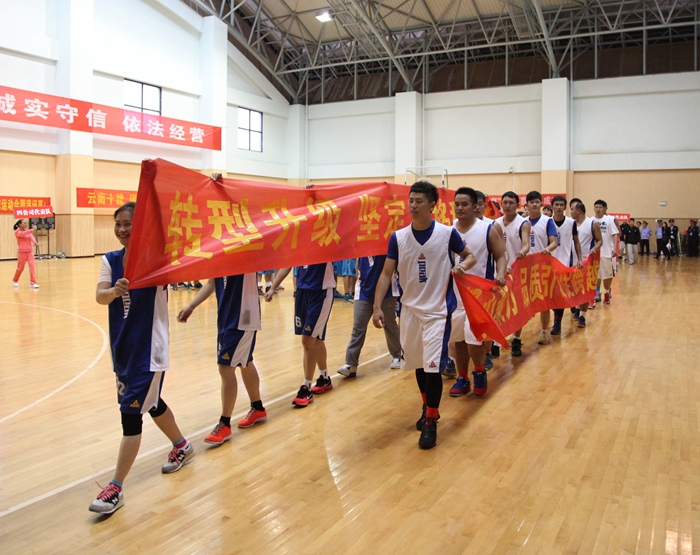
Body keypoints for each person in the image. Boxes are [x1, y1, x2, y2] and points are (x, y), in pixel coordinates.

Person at [89, 202, 194, 515]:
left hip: (150, 351)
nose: (122, 229)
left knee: (131, 416)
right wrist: (115, 290)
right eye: (118, 223)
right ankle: (182, 445)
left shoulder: (158, 260)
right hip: (123, 349)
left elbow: (179, 237)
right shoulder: (110, 260)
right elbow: (100, 296)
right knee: (152, 402)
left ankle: (116, 487)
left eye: (129, 223)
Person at [372, 181, 475, 450]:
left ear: (432, 205)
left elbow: (470, 256)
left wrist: (462, 267)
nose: (413, 205)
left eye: (419, 201)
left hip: (437, 312)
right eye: (411, 200)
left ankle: (431, 419)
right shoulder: (398, 237)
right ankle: (427, 406)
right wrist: (376, 306)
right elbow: (386, 273)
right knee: (419, 365)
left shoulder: (447, 234)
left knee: (432, 367)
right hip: (409, 312)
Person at [177, 273, 267, 445]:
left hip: (244, 317)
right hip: (226, 317)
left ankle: (224, 424)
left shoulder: (247, 257)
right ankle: (258, 408)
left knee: (225, 367)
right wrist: (191, 305)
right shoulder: (218, 258)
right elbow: (211, 282)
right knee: (245, 362)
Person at [448, 188, 506, 399]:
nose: (459, 208)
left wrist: (500, 274)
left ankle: (479, 372)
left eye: (464, 204)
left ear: (475, 207)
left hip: (480, 294)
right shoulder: (448, 230)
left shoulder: (488, 228)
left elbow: (501, 255)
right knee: (458, 339)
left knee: (474, 338)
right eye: (457, 204)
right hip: (455, 294)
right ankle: (462, 378)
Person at [265, 262, 335, 407]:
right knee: (316, 339)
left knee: (308, 340)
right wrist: (273, 287)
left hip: (321, 292)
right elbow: (288, 263)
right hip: (302, 292)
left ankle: (306, 387)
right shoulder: (298, 247)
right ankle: (324, 378)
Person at [338, 256, 401, 377]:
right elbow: (357, 264)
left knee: (389, 324)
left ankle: (397, 356)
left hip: (386, 291)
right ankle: (351, 363)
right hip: (364, 291)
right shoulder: (361, 248)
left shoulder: (385, 246)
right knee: (358, 326)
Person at [495, 191, 531, 357]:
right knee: (498, 305)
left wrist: (523, 251)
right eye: (505, 202)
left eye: (511, 203)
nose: (507, 205)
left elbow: (526, 244)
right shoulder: (495, 224)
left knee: (517, 305)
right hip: (500, 270)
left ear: (518, 205)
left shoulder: (523, 223)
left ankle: (516, 339)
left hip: (517, 269)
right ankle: (496, 341)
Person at [526, 191, 558, 344]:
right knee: (522, 299)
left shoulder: (548, 221)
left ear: (541, 204)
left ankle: (545, 330)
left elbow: (554, 242)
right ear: (526, 204)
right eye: (531, 202)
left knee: (543, 299)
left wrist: (547, 249)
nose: (534, 204)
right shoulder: (523, 222)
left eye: (537, 202)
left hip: (543, 266)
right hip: (525, 267)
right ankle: (517, 334)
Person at [549, 195, 582, 336]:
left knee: (560, 293)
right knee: (551, 294)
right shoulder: (548, 222)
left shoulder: (571, 222)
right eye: (556, 204)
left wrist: (580, 258)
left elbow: (576, 241)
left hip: (566, 263)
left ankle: (557, 322)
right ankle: (569, 306)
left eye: (561, 205)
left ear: (565, 207)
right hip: (550, 264)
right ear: (552, 206)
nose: (558, 207)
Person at [570, 202, 602, 327]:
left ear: (579, 211)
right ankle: (577, 307)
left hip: (587, 262)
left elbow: (600, 241)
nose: (570, 212)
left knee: (584, 289)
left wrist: (594, 249)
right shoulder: (570, 224)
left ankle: (582, 315)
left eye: (572, 209)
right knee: (574, 288)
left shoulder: (592, 224)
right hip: (572, 261)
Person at [592, 200, 619, 305]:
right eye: (596, 207)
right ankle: (596, 293)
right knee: (595, 275)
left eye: (600, 207)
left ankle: (607, 293)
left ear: (604, 208)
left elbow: (615, 234)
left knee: (607, 275)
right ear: (594, 208)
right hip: (595, 252)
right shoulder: (590, 220)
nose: (598, 209)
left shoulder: (609, 220)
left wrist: (614, 248)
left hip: (607, 252)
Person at [12, 219, 39, 288]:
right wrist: (31, 230)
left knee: (32, 267)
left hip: (29, 252)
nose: (25, 224)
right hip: (22, 253)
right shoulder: (17, 232)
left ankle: (33, 282)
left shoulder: (28, 232)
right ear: (19, 224)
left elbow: (32, 237)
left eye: (26, 223)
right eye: (24, 223)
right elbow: (22, 234)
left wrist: (35, 243)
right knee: (20, 268)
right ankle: (15, 280)